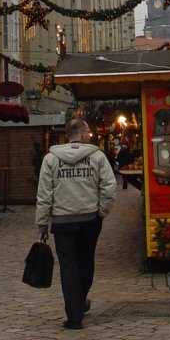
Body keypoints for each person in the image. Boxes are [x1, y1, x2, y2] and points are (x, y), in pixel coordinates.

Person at [36, 118, 117, 329]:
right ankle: (79, 302)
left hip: (63, 221)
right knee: (86, 261)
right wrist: (101, 212)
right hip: (90, 218)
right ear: (81, 134)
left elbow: (45, 194)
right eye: (88, 132)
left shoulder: (51, 160)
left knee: (68, 265)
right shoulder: (97, 157)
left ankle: (74, 313)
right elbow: (109, 187)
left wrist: (43, 223)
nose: (90, 135)